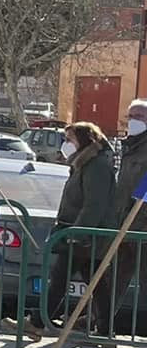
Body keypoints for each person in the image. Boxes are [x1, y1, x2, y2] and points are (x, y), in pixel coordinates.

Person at [48, 120, 122, 331]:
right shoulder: (82, 163)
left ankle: (38, 321)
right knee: (96, 284)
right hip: (79, 233)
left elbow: (94, 204)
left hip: (84, 235)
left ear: (83, 140)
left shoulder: (95, 165)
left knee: (62, 278)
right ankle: (106, 330)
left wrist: (79, 232)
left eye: (69, 139)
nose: (66, 143)